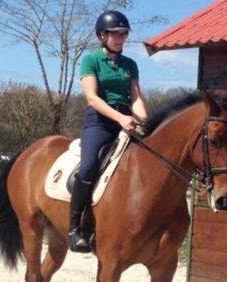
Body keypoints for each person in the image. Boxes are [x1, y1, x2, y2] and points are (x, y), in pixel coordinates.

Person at [69, 10, 148, 253]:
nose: (121, 38)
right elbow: (92, 98)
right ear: (102, 35)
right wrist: (120, 118)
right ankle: (75, 228)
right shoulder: (90, 60)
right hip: (100, 121)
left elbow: (135, 97)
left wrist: (145, 119)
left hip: (126, 117)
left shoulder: (130, 64)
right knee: (89, 165)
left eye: (124, 34)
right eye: (116, 34)